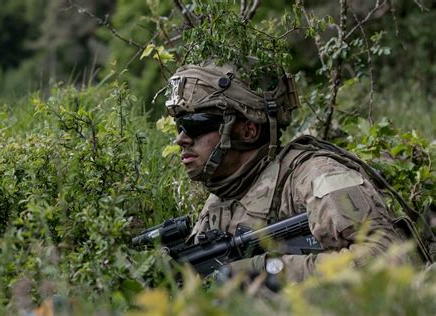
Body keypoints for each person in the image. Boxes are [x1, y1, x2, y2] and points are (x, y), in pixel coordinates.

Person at [164, 60, 431, 283]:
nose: (181, 139)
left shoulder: (315, 176)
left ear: (248, 131)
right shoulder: (222, 196)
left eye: (195, 124)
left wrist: (266, 271)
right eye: (179, 126)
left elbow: (390, 258)